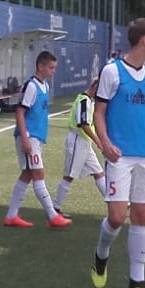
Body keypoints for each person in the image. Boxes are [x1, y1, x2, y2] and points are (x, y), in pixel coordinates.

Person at [93, 17, 145, 288]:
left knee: (141, 216)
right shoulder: (112, 71)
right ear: (144, 40)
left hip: (144, 157)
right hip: (119, 157)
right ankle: (101, 254)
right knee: (116, 217)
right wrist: (105, 143)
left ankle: (137, 281)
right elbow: (98, 112)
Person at [4, 50, 72, 229]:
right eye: (51, 67)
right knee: (38, 174)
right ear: (40, 66)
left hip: (37, 137)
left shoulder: (45, 86)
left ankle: (11, 216)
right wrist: (25, 138)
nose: (53, 71)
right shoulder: (32, 86)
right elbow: (20, 112)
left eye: (54, 68)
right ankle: (52, 215)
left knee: (28, 174)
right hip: (30, 137)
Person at [56, 81, 108, 212]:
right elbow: (83, 124)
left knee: (98, 172)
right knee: (69, 176)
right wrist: (98, 142)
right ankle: (55, 207)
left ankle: (113, 202)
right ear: (95, 88)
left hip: (84, 142)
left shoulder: (89, 101)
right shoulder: (83, 101)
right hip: (77, 140)